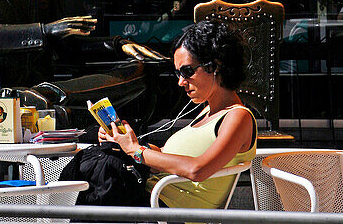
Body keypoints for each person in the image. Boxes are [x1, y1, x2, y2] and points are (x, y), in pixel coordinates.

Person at [96, 20, 257, 209]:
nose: (181, 82)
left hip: (165, 210)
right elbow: (166, 158)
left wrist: (135, 150)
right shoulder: (207, 111)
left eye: (187, 71)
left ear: (215, 66)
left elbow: (197, 169)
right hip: (150, 199)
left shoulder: (238, 117)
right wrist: (124, 141)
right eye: (178, 73)